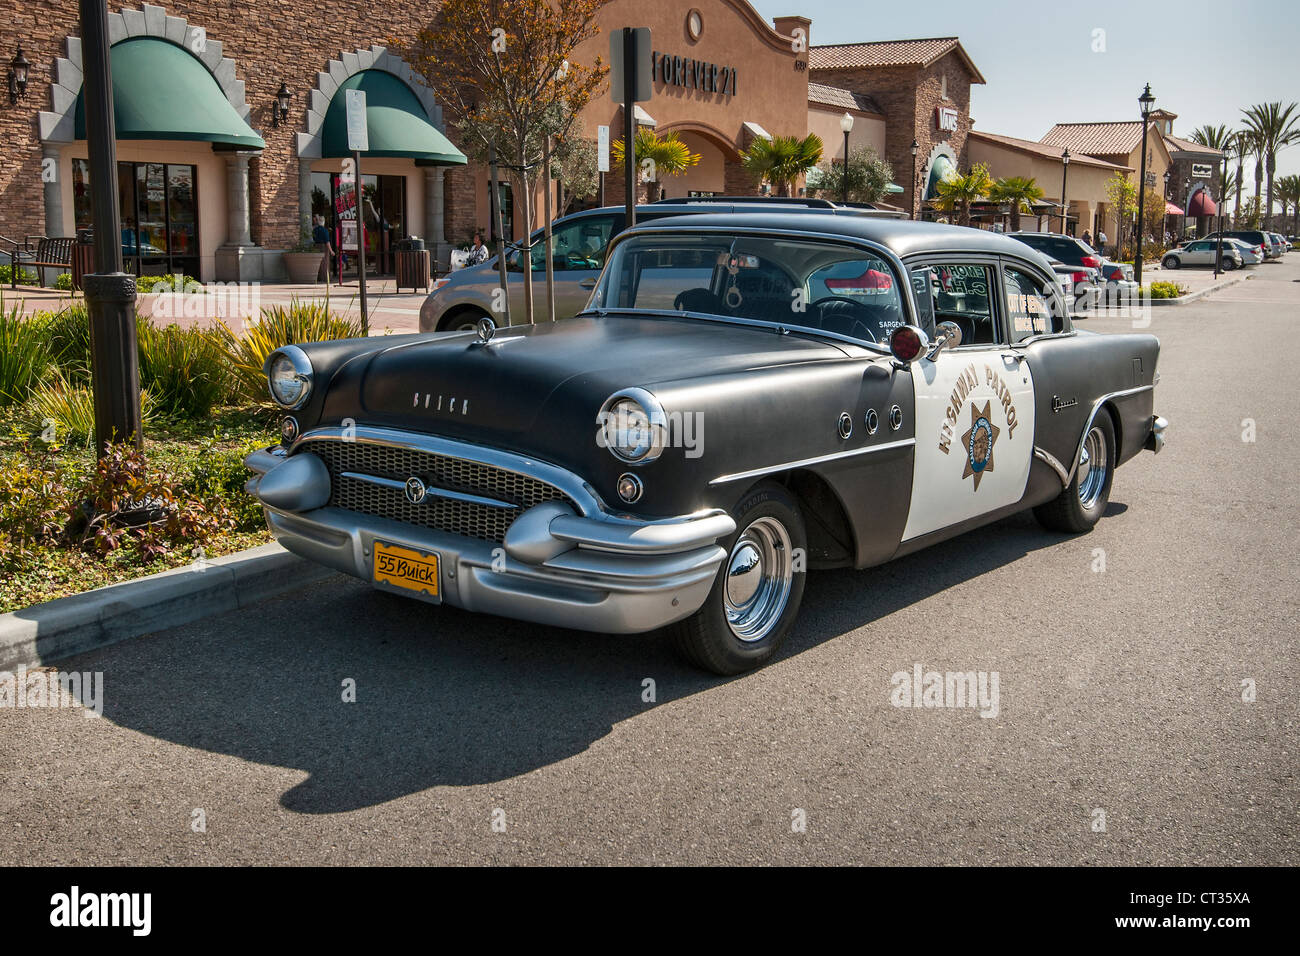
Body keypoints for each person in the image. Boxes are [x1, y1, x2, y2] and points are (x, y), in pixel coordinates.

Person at [312, 215, 333, 282]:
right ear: (323, 222)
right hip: (324, 247)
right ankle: (325, 278)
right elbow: (327, 242)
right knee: (325, 263)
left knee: (318, 263)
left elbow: (313, 238)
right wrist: (331, 251)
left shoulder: (315, 230)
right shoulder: (325, 230)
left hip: (316, 246)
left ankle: (318, 278)